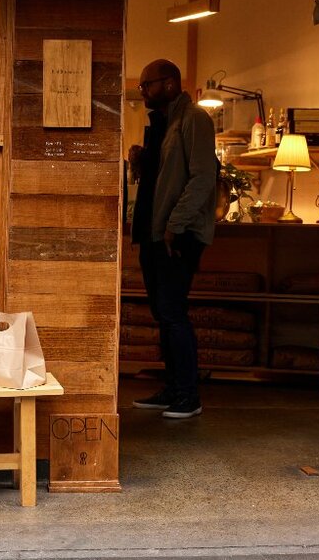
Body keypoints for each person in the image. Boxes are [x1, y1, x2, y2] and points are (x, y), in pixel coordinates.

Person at [128, 59, 217, 420]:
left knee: (173, 312)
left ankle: (188, 394)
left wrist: (175, 226)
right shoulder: (165, 122)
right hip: (156, 232)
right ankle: (173, 387)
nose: (143, 92)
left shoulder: (194, 118)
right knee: (163, 314)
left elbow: (202, 177)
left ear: (168, 84)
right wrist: (142, 160)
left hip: (176, 234)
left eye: (146, 85)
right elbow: (165, 177)